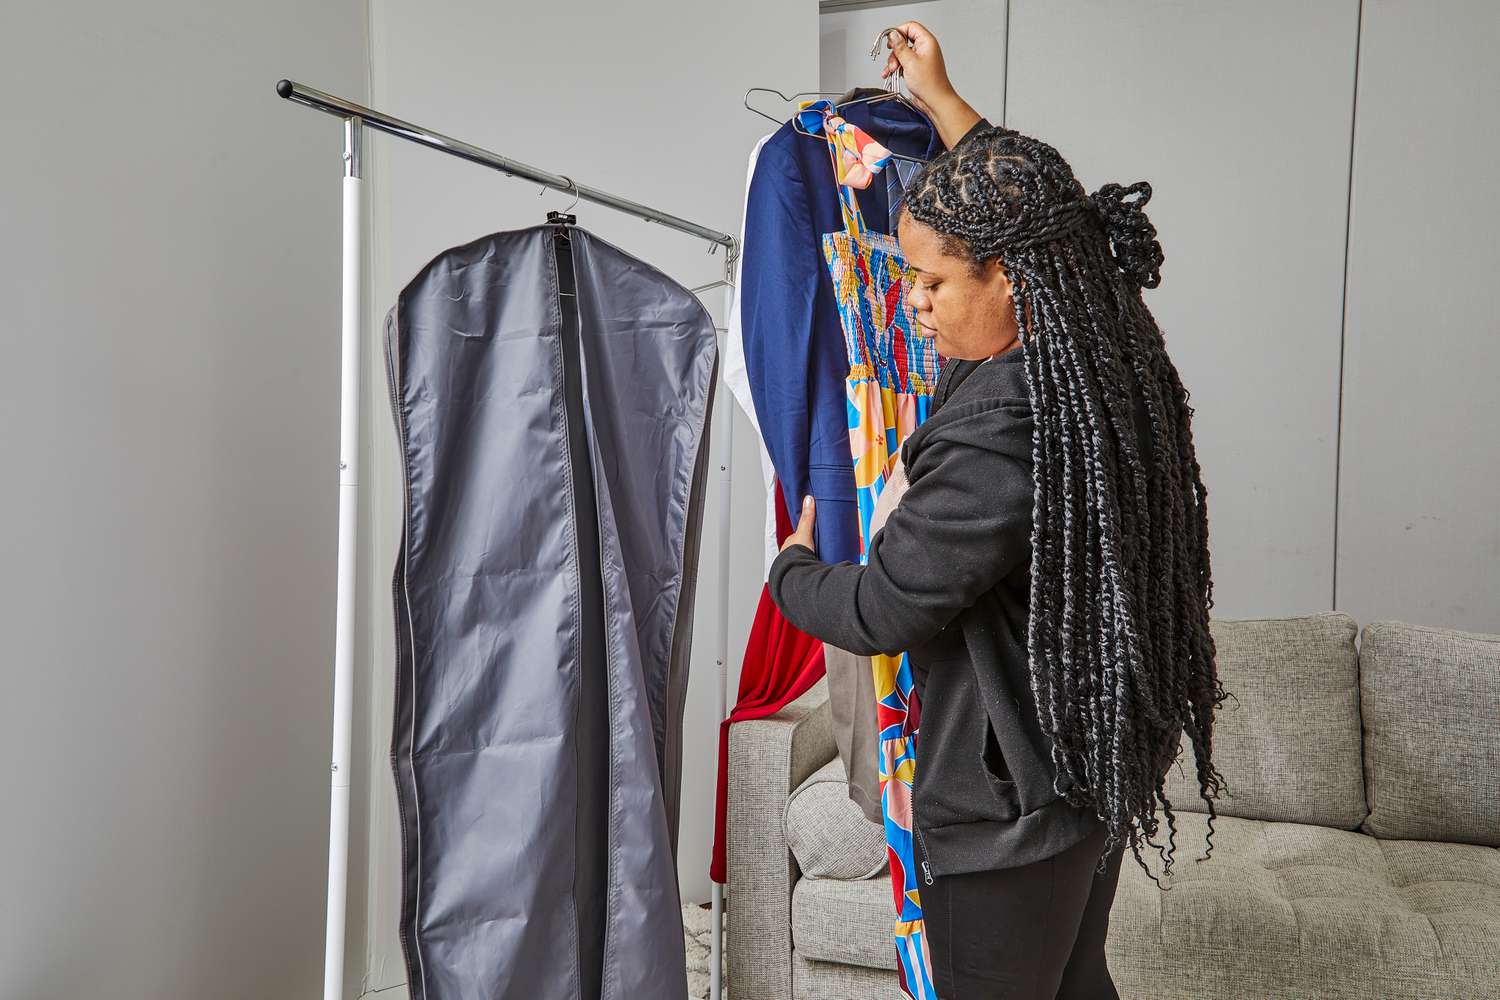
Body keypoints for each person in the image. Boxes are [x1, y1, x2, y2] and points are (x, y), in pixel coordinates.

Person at [767, 21, 1230, 999]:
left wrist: (793, 568)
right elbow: (1040, 205)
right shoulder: (1089, 319)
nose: (917, 304)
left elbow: (887, 607)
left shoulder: (999, 423)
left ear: (1007, 277)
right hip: (1078, 771)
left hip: (1009, 809)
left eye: (933, 281)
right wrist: (941, 97)